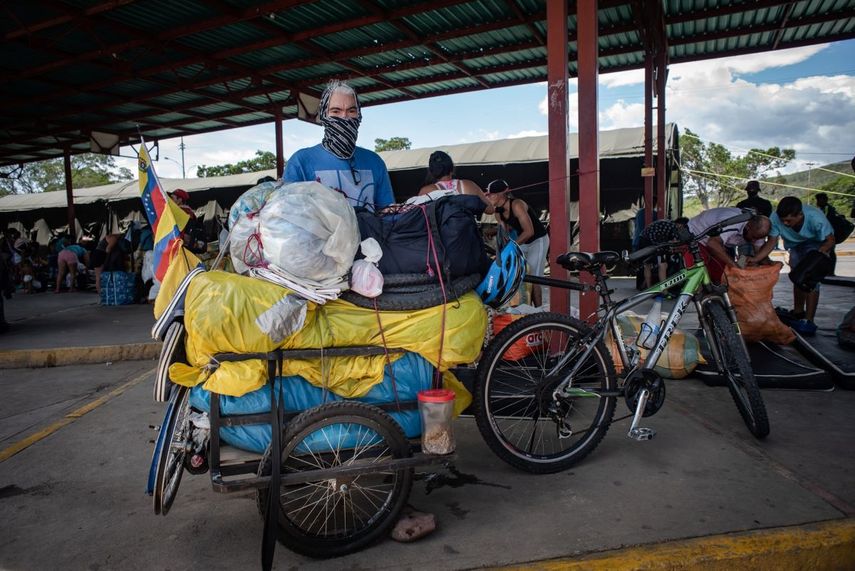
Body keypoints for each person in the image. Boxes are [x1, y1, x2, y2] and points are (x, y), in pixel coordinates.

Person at [283, 80, 394, 211]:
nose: (344, 117)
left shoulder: (374, 161)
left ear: (359, 115)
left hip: (370, 231)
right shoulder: (301, 162)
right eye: (336, 111)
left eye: (351, 111)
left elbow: (387, 212)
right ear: (324, 115)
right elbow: (288, 216)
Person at [754, 196, 835, 335]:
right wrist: (756, 258)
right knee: (797, 277)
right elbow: (772, 241)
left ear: (800, 215)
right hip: (795, 245)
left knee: (810, 279)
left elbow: (830, 240)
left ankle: (809, 320)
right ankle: (798, 312)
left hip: (816, 244)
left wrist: (816, 258)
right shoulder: (775, 217)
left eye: (789, 220)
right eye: (783, 220)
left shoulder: (815, 217)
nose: (785, 223)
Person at [485, 180, 549, 307]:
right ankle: (525, 310)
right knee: (519, 274)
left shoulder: (517, 205)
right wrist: (494, 232)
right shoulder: (498, 212)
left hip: (538, 240)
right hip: (524, 241)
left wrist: (510, 246)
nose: (488, 197)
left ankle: (539, 313)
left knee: (534, 278)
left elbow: (529, 231)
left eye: (490, 194)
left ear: (499, 195)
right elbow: (505, 231)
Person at [686, 207, 771, 284]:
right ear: (748, 227)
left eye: (758, 238)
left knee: (722, 274)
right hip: (696, 236)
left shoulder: (758, 232)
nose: (754, 241)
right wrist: (735, 266)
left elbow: (759, 253)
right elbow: (712, 244)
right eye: (753, 237)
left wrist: (771, 265)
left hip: (717, 241)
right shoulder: (733, 222)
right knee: (699, 275)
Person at [418, 150, 492, 209]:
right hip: (469, 227)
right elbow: (490, 209)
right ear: (452, 168)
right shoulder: (469, 185)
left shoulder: (426, 191)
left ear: (431, 172)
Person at [636, 217, 689, 288]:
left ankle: (647, 288)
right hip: (649, 242)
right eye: (683, 227)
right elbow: (665, 243)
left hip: (644, 239)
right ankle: (664, 291)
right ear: (680, 225)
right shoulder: (671, 227)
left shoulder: (669, 224)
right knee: (663, 265)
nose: (683, 230)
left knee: (648, 265)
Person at [815, 192, 839, 274]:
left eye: (819, 200)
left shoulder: (827, 209)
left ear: (825, 200)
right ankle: (826, 270)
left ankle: (830, 271)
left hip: (828, 234)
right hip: (822, 235)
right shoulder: (821, 209)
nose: (817, 202)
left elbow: (824, 221)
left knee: (830, 252)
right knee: (827, 252)